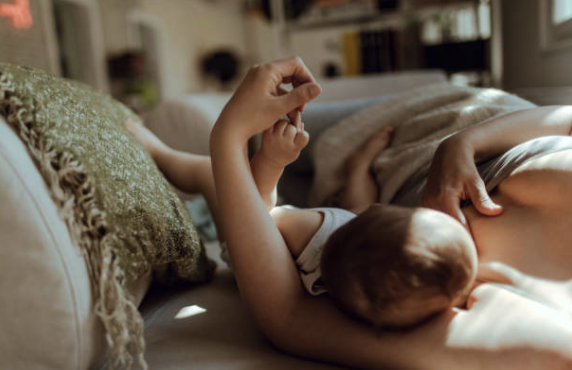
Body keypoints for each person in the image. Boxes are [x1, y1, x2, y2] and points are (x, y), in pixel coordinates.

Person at [135, 57, 572, 369]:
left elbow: (289, 314)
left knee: (240, 167)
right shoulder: (367, 228)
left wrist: (230, 136)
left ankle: (166, 156)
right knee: (289, 120)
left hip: (369, 204)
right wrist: (463, 142)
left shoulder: (541, 340)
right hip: (458, 116)